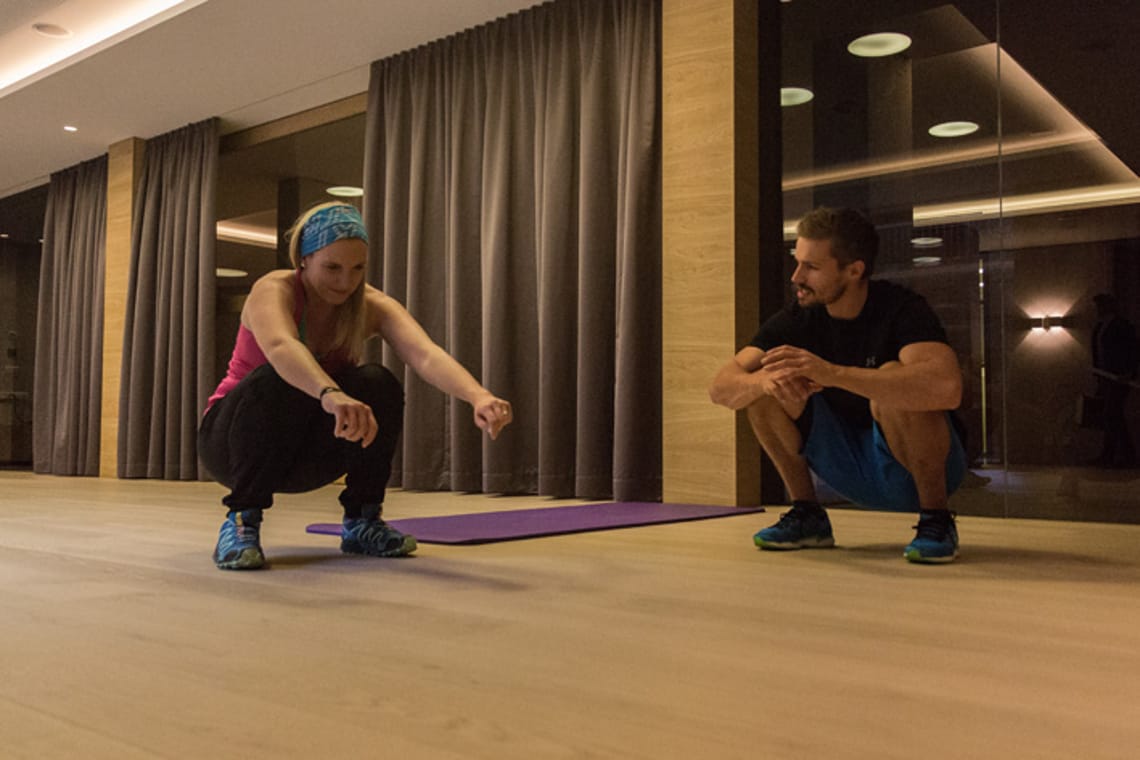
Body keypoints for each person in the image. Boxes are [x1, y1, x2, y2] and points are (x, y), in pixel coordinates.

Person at [199, 202, 513, 570]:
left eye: (357, 269)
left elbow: (425, 354)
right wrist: (331, 394)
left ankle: (362, 520)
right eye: (332, 268)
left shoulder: (370, 304)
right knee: (276, 375)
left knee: (376, 382)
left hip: (301, 452)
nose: (345, 282)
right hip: (231, 446)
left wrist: (479, 396)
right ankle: (241, 521)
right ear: (303, 259)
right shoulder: (273, 289)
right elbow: (282, 347)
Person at [708, 207, 967, 564]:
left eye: (811, 267)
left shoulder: (900, 308)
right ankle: (808, 515)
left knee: (895, 381)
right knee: (765, 388)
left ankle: (936, 518)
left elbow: (946, 387)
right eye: (797, 262)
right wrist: (766, 381)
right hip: (846, 464)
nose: (797, 276)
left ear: (854, 270)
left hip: (918, 466)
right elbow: (721, 388)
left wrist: (833, 373)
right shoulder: (798, 317)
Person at [1089, 293, 1137, 468]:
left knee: (1112, 414)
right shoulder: (1099, 327)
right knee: (1112, 415)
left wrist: (1129, 373)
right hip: (1106, 378)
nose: (1097, 310)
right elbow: (1097, 353)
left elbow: (1132, 351)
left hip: (1119, 378)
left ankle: (1116, 455)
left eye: (1099, 306)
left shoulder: (1122, 326)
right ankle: (1121, 454)